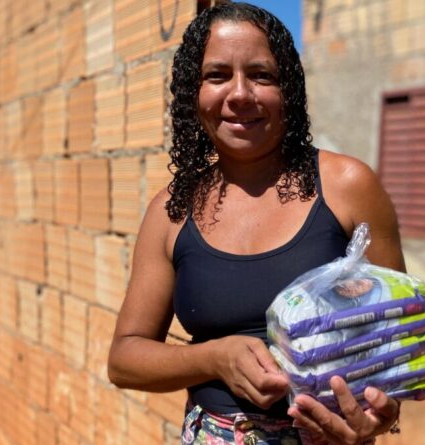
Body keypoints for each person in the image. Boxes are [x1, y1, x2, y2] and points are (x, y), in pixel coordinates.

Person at [107, 3, 405, 444]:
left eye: (262, 75)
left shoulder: (347, 186)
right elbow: (124, 358)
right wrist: (214, 357)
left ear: (290, 92)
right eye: (217, 75)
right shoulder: (172, 211)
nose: (240, 93)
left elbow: (401, 337)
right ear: (193, 93)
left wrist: (381, 413)